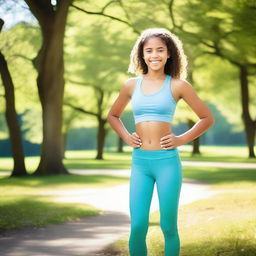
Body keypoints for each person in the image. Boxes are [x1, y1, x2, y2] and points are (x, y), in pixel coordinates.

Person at [107, 27, 215, 256]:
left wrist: (181, 139)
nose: (154, 55)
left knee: (168, 227)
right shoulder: (131, 85)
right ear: (142, 55)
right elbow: (112, 115)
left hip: (167, 163)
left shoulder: (178, 85)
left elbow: (207, 118)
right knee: (137, 226)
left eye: (160, 50)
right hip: (140, 163)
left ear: (169, 54)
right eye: (149, 51)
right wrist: (127, 136)